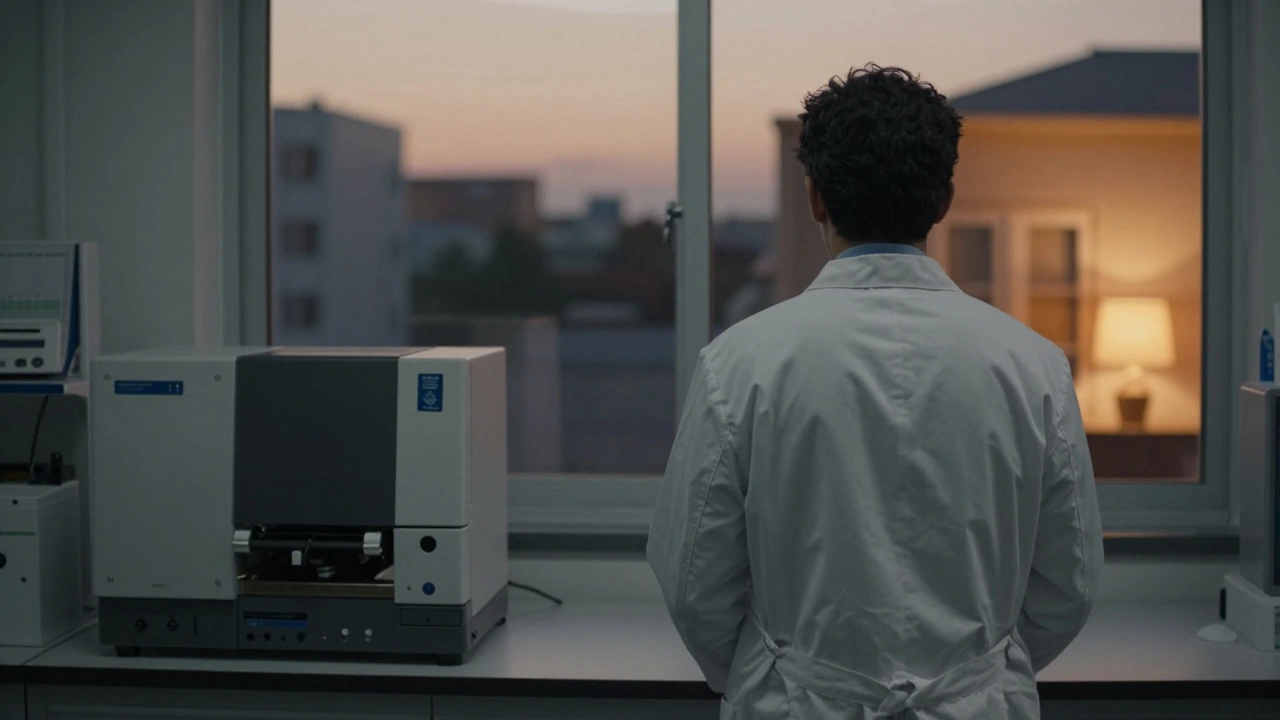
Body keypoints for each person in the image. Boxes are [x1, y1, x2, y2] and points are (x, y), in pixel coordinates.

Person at [647, 65, 1103, 720]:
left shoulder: (740, 364)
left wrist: (775, 671)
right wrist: (973, 673)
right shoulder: (1034, 368)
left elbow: (693, 583)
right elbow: (1071, 586)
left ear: (816, 200)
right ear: (944, 202)